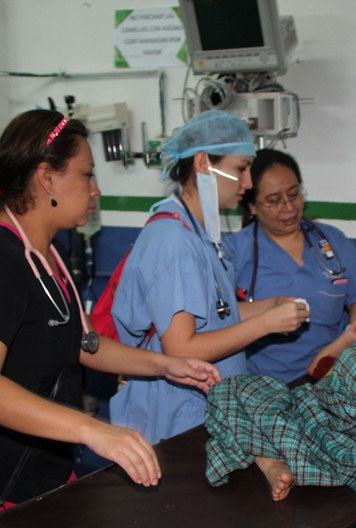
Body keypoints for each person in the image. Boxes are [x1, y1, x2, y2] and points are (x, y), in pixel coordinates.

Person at [0, 109, 220, 514]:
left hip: (46, 467)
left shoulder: (47, 253)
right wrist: (93, 430)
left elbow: (85, 344)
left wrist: (165, 365)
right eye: (87, 175)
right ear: (47, 178)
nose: (96, 190)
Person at [110, 111, 308, 455]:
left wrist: (271, 306)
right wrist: (266, 324)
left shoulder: (200, 235)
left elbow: (215, 316)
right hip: (173, 417)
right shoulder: (172, 241)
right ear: (203, 163)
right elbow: (182, 349)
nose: (248, 183)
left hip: (205, 410)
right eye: (240, 169)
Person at [223, 149, 356, 382]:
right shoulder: (234, 251)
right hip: (264, 382)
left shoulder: (330, 240)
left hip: (332, 371)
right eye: (274, 201)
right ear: (252, 206)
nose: (289, 207)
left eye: (294, 195)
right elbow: (219, 314)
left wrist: (353, 337)